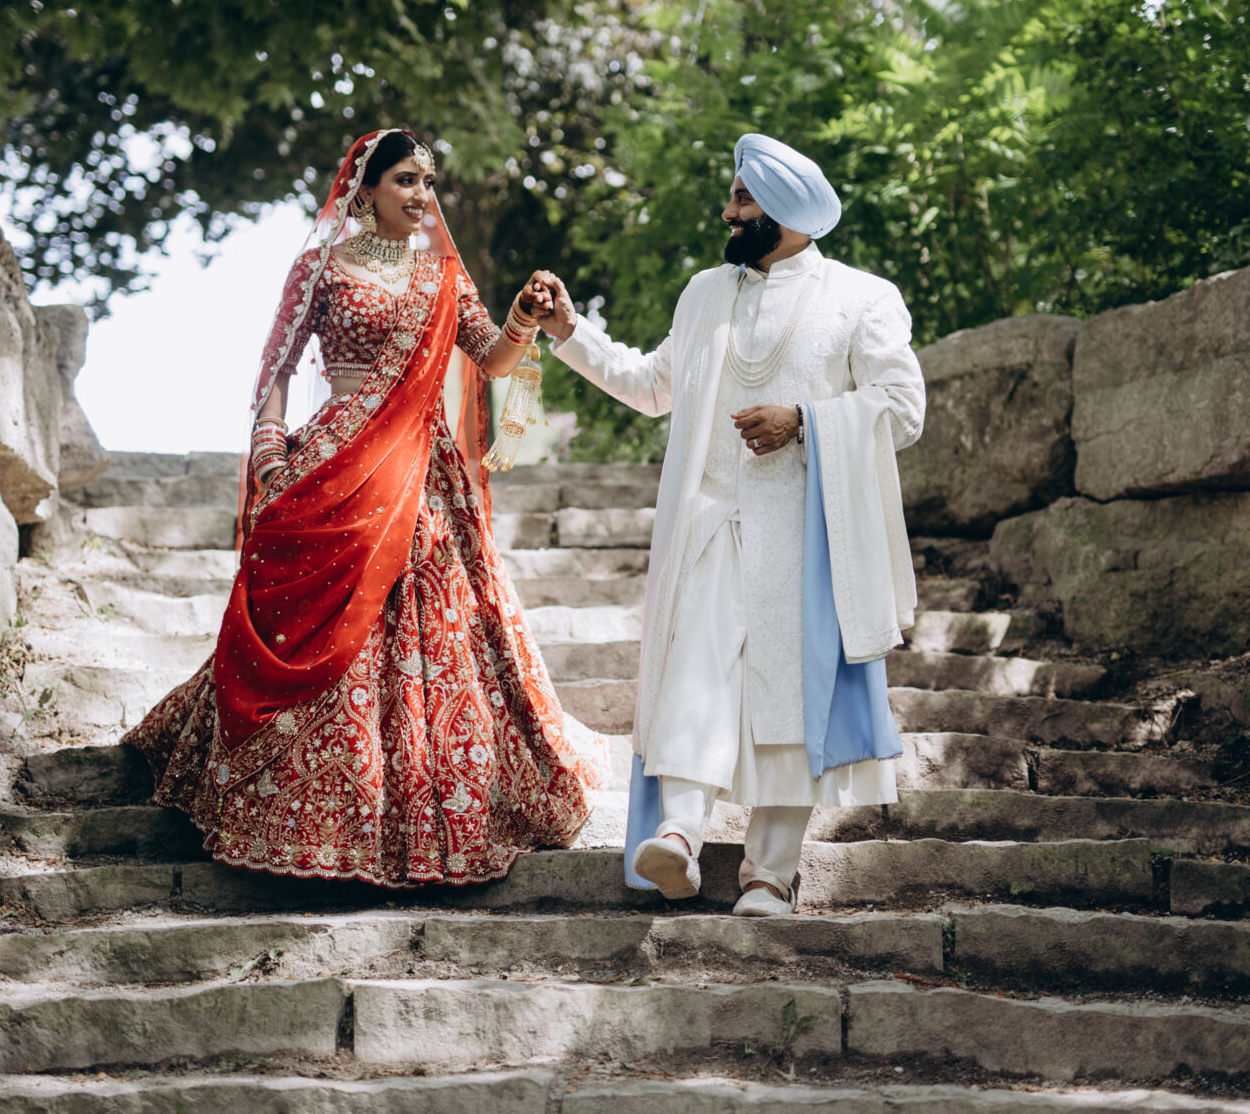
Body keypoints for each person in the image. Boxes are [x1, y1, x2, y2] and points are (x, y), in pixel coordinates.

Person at [126, 128, 606, 888]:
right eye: (406, 180)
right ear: (366, 187)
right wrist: (273, 456)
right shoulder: (321, 265)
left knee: (429, 621)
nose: (421, 195)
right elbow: (279, 367)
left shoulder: (441, 275)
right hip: (333, 460)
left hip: (420, 473)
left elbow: (493, 360)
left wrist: (522, 313)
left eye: (428, 182)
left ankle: (419, 799)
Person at [536, 133, 924, 916]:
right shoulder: (706, 292)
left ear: (784, 210)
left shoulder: (862, 298)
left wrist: (804, 420)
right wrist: (570, 330)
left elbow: (903, 408)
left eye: (742, 199)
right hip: (711, 523)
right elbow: (653, 386)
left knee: (794, 707)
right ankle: (677, 838)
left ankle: (770, 877)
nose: (727, 211)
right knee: (695, 676)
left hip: (810, 537)